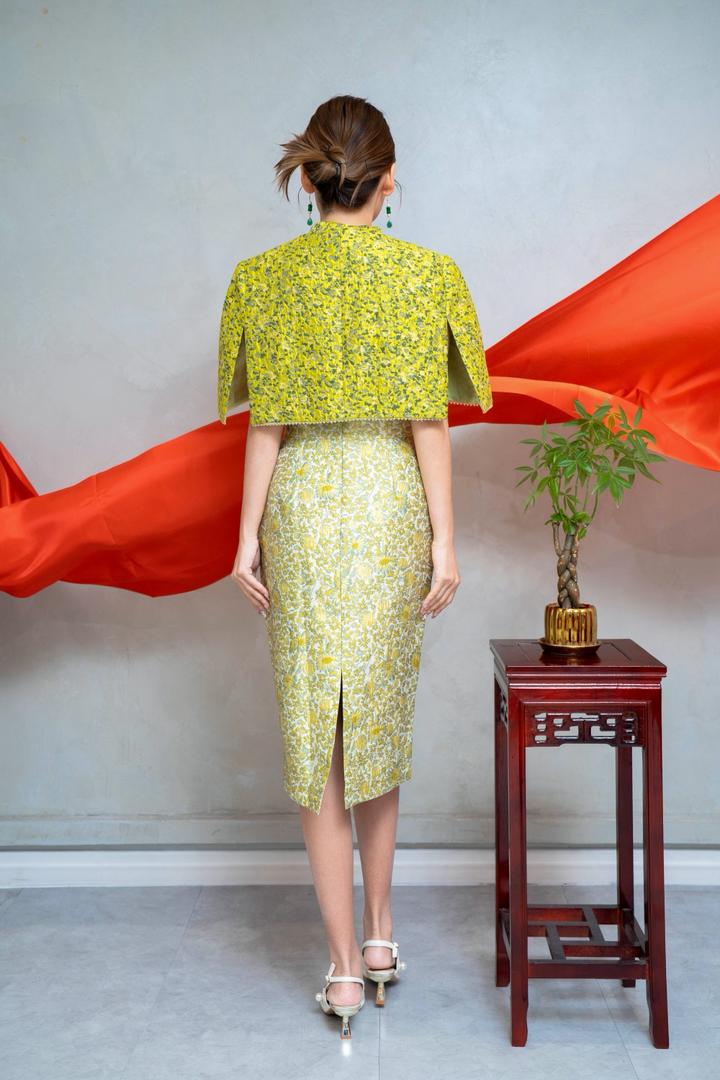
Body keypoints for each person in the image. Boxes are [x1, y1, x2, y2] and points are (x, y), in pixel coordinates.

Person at [217, 94, 493, 1039]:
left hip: (299, 506)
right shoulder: (428, 276)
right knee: (372, 718)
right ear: (388, 182)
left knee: (317, 734)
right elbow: (429, 421)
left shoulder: (261, 280)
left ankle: (340, 969)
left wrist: (245, 536)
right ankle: (379, 935)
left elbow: (266, 424)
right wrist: (445, 540)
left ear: (308, 179)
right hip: (386, 504)